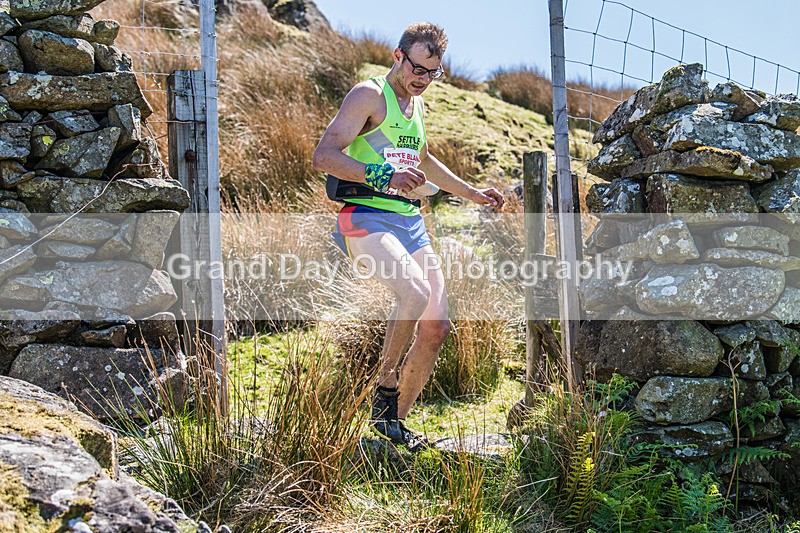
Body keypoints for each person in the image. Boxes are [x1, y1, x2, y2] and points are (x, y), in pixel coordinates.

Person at [312, 22, 505, 450]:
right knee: (414, 294)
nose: (422, 79)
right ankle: (384, 388)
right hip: (365, 216)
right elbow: (323, 156)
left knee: (437, 327)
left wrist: (474, 193)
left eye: (431, 73)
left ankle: (389, 428)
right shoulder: (369, 95)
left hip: (410, 221)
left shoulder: (417, 106)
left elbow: (425, 160)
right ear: (398, 57)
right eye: (416, 68)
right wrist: (386, 174)